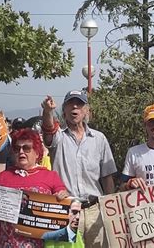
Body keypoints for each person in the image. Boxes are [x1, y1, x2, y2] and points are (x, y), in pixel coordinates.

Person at [41, 90, 117, 247]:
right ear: (64, 110)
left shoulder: (99, 139)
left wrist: (111, 210)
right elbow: (48, 131)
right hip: (66, 211)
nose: (74, 107)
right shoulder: (59, 137)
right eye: (70, 103)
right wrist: (48, 111)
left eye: (79, 104)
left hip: (95, 210)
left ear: (86, 111)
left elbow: (107, 177)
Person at [0, 129, 69, 248]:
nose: (21, 152)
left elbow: (63, 195)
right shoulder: (4, 176)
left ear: (37, 153)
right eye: (17, 149)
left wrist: (63, 196)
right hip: (5, 243)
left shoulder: (50, 176)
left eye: (27, 148)